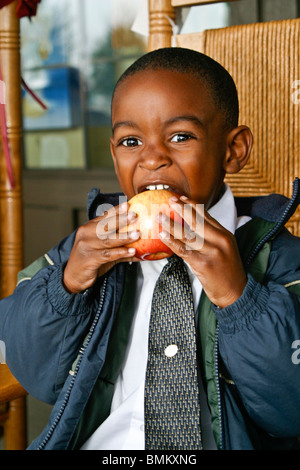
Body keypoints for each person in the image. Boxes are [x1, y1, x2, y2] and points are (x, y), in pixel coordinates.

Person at [0, 47, 300, 451]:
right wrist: (67, 285)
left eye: (180, 137)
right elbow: (37, 374)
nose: (152, 158)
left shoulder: (280, 258)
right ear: (113, 153)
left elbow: (290, 409)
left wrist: (238, 298)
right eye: (130, 140)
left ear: (233, 150)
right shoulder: (87, 250)